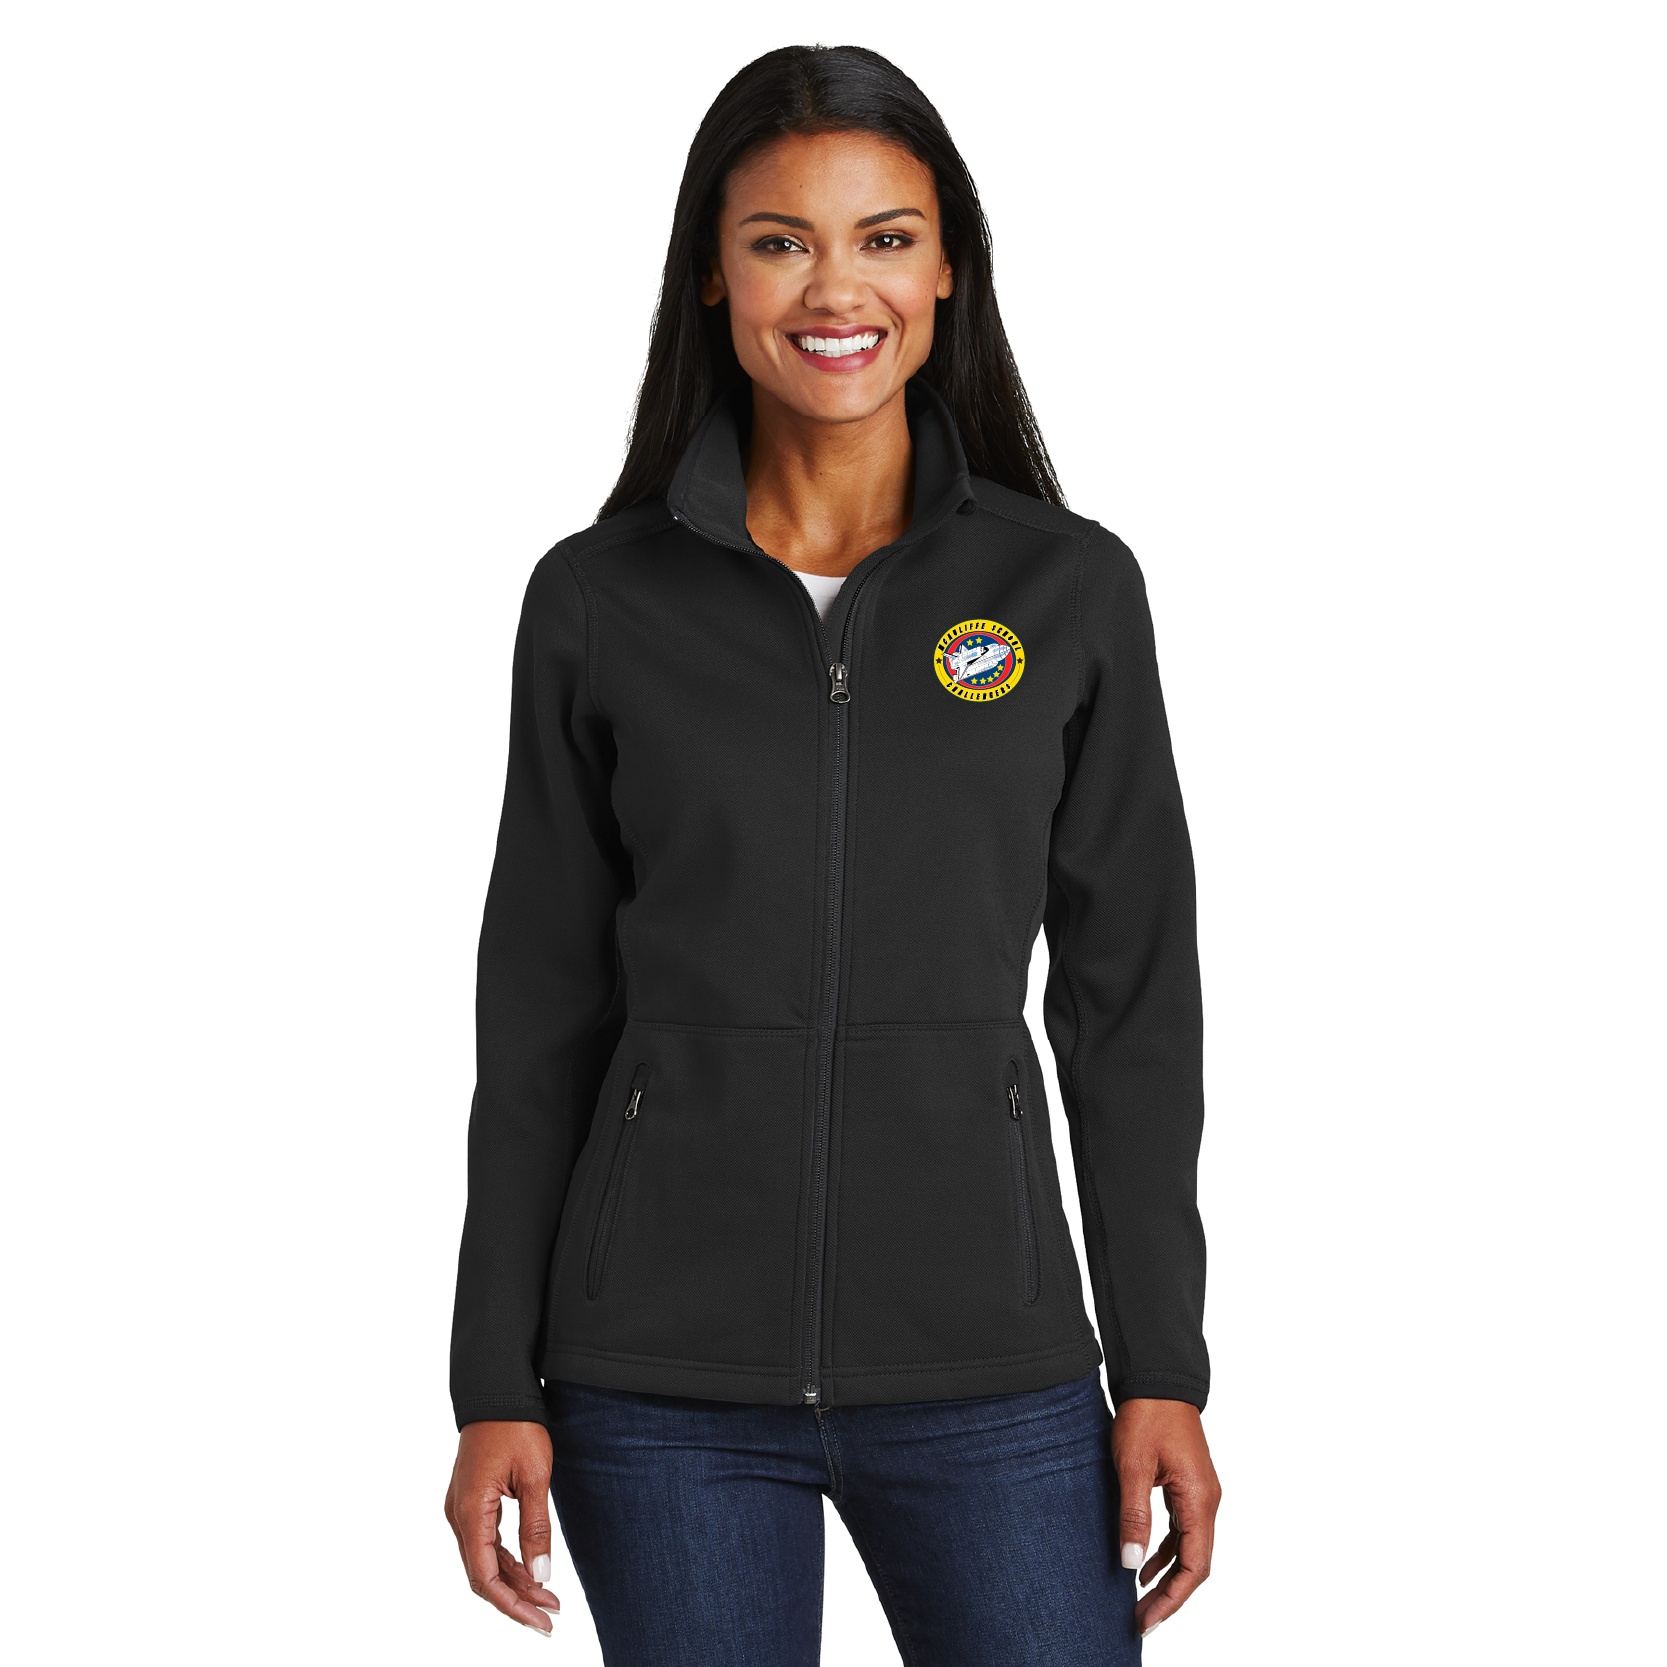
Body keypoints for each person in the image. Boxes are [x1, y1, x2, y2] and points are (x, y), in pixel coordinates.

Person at [443, 43, 1219, 1666]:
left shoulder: (1066, 591)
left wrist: (1161, 1363)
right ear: (711, 275)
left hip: (990, 1366)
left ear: (946, 271)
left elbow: (1128, 1004)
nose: (833, 288)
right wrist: (490, 1379)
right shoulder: (596, 602)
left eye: (883, 236)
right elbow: (537, 1013)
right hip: (657, 1382)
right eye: (778, 240)